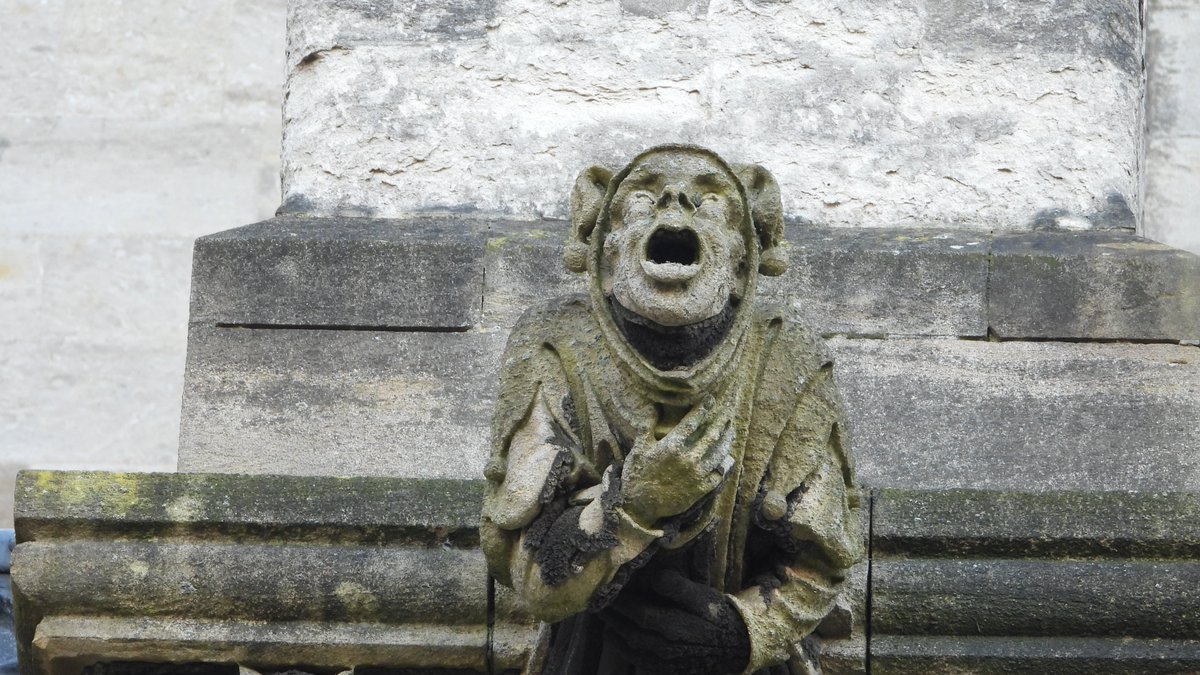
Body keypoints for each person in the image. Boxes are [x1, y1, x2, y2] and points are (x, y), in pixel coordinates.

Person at [482, 145, 863, 675]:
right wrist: (635, 504)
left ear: (741, 264)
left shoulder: (785, 354)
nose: (676, 200)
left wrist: (744, 632)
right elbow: (532, 577)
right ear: (607, 257)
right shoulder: (556, 343)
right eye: (642, 198)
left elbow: (821, 561)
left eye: (713, 202)